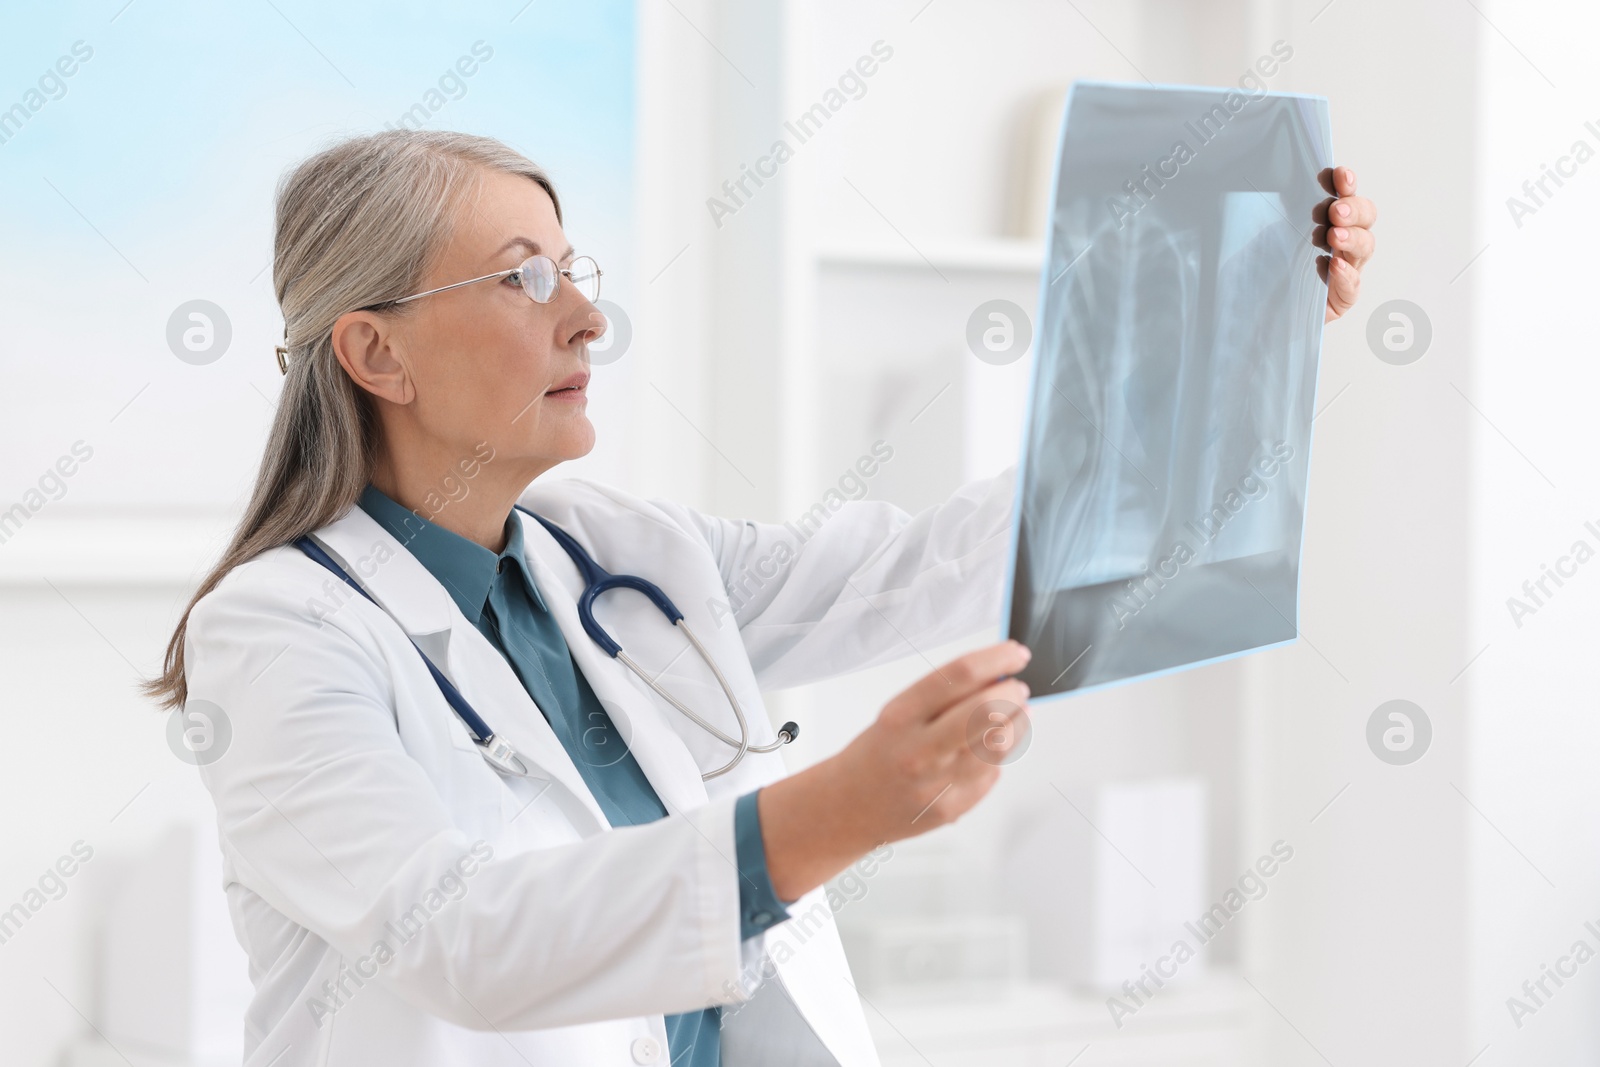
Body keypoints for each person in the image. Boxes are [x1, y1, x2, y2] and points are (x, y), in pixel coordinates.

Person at [143, 130, 1376, 1067]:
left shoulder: (623, 553)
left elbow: (935, 561)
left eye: (577, 270)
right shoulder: (276, 633)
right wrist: (836, 811)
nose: (587, 316)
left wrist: (1239, 335)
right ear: (376, 353)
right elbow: (461, 943)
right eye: (525, 281)